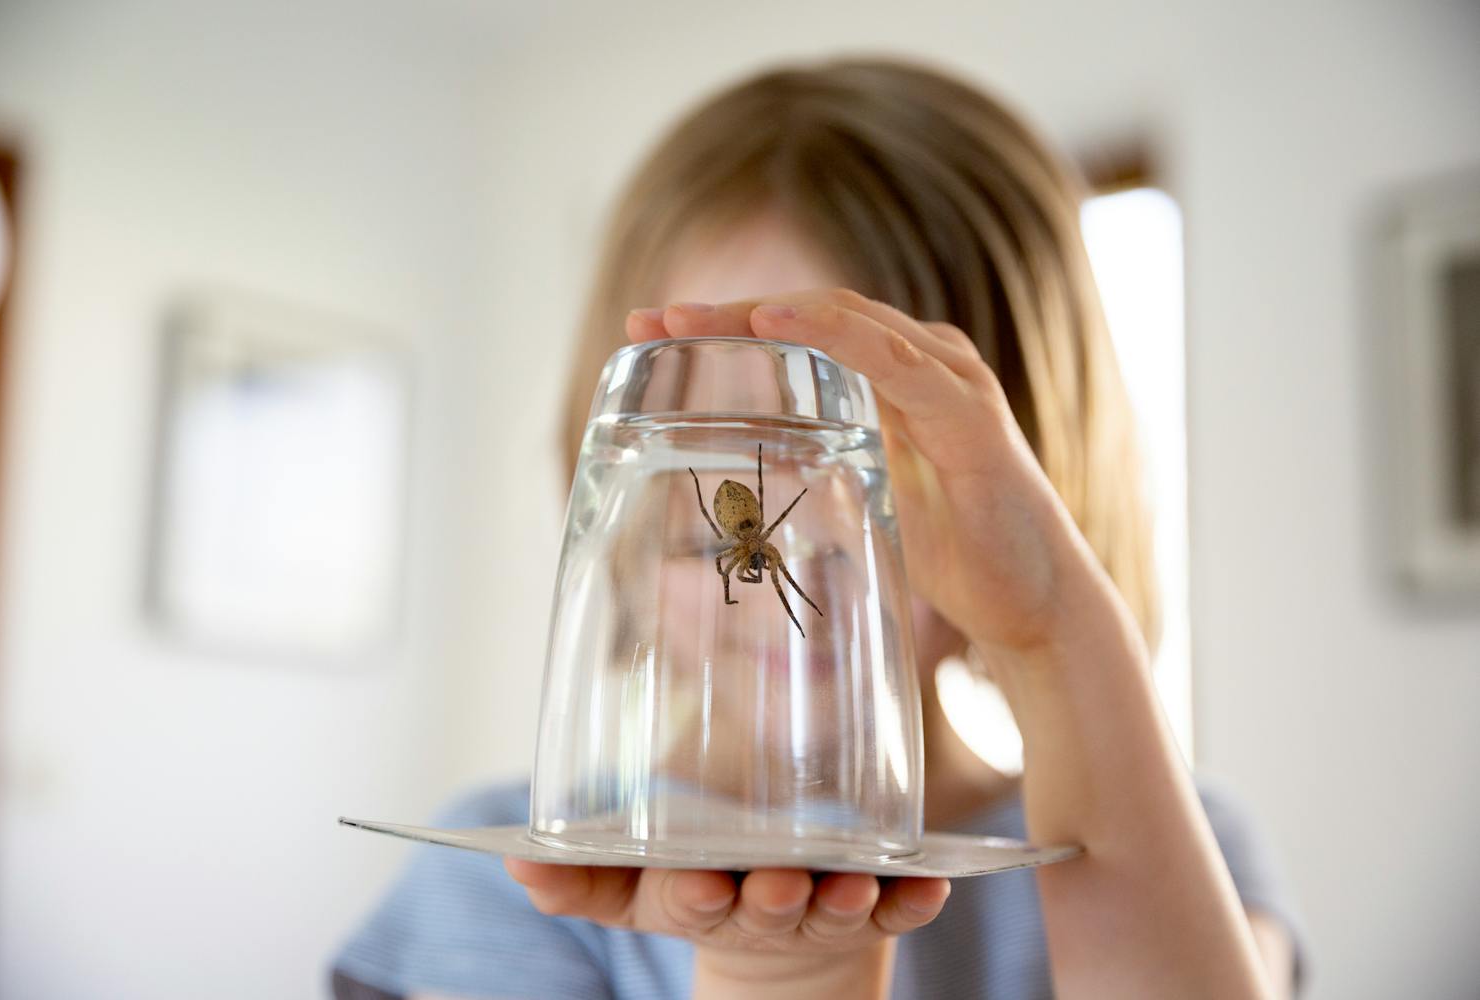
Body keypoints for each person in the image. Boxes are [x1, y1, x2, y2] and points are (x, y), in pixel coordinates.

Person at [329, 56, 1304, 999]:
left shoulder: (1178, 847)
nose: (811, 558)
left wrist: (1057, 629)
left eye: (880, 469)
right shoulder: (506, 880)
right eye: (721, 458)